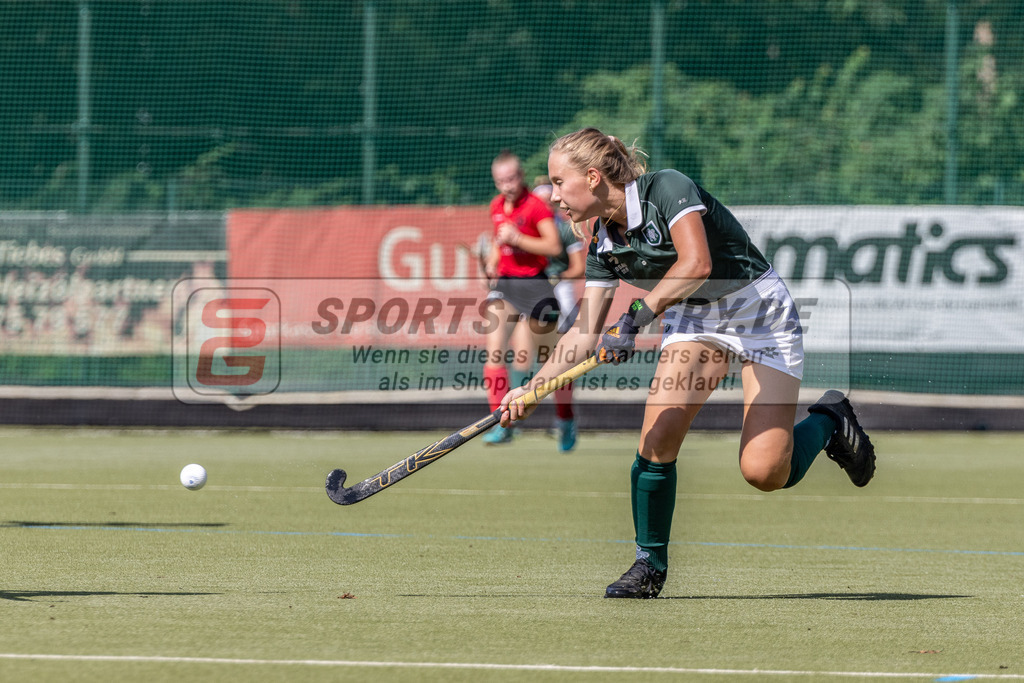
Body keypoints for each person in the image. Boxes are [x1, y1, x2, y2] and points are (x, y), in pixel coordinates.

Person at [499, 127, 876, 598]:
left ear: (593, 177)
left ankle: (830, 418)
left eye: (558, 182)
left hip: (758, 311)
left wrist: (636, 318)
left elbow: (696, 263)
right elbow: (584, 331)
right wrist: (534, 388)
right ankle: (648, 565)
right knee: (657, 438)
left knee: (765, 472)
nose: (553, 196)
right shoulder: (603, 245)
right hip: (695, 321)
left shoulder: (666, 189)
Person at [480, 151, 563, 445]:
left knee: (531, 358)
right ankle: (500, 421)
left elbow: (554, 246)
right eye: (501, 181)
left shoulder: (537, 206)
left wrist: (518, 239)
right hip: (506, 286)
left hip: (535, 287)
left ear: (522, 175)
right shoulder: (496, 206)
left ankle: (565, 419)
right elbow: (496, 243)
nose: (507, 186)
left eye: (512, 178)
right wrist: (492, 261)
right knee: (494, 351)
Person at [530, 176, 586, 451]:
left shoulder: (565, 229)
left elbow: (579, 268)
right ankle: (508, 424)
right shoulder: (524, 228)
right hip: (529, 296)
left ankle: (565, 419)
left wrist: (554, 276)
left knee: (559, 363)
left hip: (558, 294)